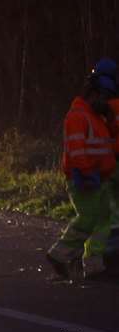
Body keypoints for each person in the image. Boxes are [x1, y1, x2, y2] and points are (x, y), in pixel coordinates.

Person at [47, 58, 118, 281]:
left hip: (98, 177)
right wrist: (86, 173)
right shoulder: (78, 116)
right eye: (104, 97)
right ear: (93, 93)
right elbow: (76, 151)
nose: (106, 101)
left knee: (103, 219)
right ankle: (60, 254)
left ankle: (93, 263)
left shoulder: (96, 117)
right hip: (85, 178)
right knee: (88, 218)